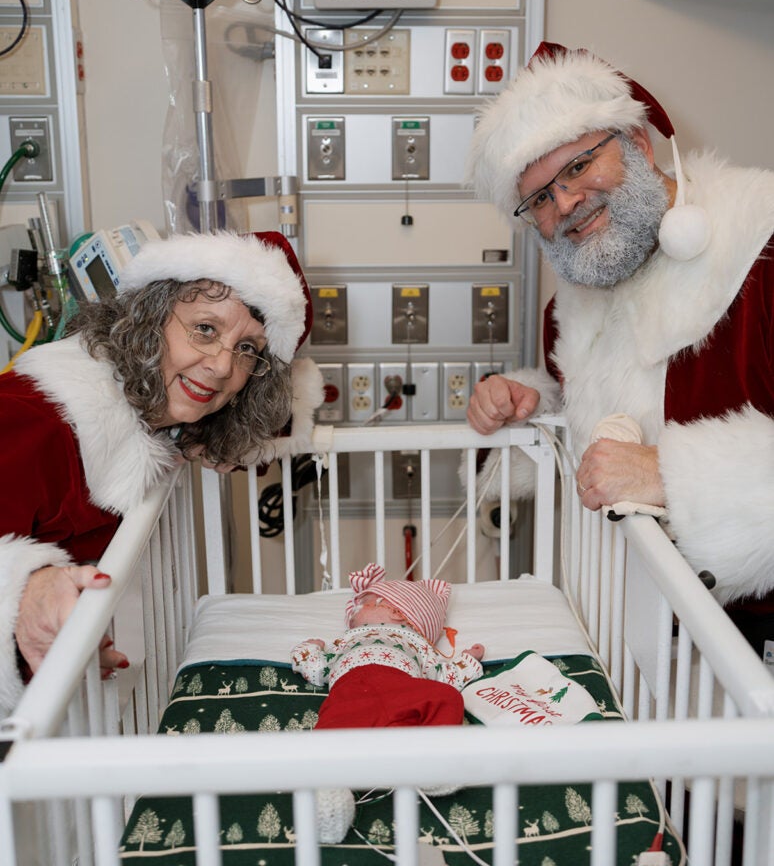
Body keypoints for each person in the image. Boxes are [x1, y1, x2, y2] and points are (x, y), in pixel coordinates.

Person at [465, 41, 774, 656]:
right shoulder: (577, 302)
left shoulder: (762, 250)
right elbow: (603, 425)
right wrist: (534, 403)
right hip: (647, 640)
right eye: (540, 200)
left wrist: (672, 475)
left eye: (577, 168)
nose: (566, 205)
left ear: (637, 143)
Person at [0, 230, 323, 716]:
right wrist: (25, 589)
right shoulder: (37, 417)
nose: (220, 368)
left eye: (249, 350)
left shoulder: (158, 414)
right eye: (205, 329)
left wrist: (218, 430)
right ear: (150, 320)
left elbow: (270, 416)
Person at [290, 562, 485, 842]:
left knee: (447, 697)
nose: (351, 612)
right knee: (328, 736)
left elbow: (445, 676)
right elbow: (317, 669)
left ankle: (433, 761)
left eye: (363, 604)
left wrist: (467, 661)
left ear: (395, 612)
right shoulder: (344, 642)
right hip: (351, 691)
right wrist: (311, 648)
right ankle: (327, 796)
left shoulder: (419, 646)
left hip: (402, 686)